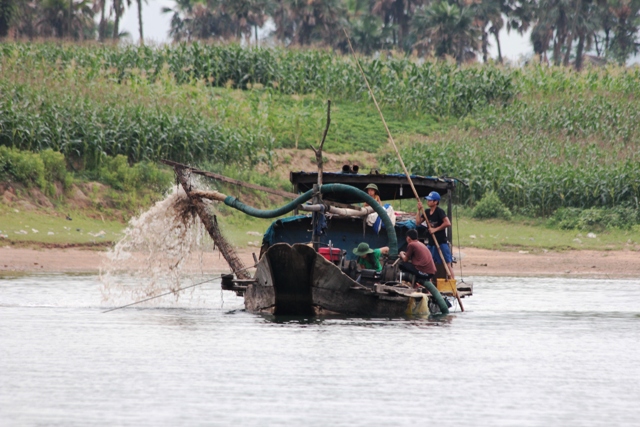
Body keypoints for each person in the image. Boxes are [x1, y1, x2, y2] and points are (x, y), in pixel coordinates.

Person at [416, 191, 455, 278]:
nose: (428, 202)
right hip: (431, 243)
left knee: (447, 263)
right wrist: (418, 210)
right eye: (428, 200)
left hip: (441, 242)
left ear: (435, 202)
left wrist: (435, 229)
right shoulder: (426, 212)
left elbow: (447, 223)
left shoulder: (439, 211)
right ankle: (429, 283)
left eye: (430, 200)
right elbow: (418, 222)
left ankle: (453, 284)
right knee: (428, 263)